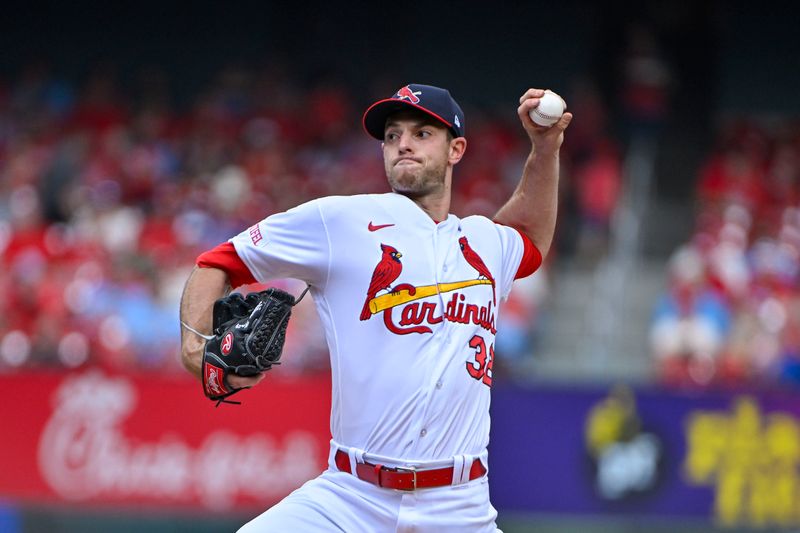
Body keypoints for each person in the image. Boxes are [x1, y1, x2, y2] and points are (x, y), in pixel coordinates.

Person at [180, 83, 572, 532]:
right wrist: (194, 348)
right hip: (348, 499)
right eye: (392, 135)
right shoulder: (339, 221)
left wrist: (545, 147)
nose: (403, 142)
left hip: (460, 509)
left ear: (456, 149)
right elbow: (217, 263)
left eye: (422, 133)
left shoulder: (486, 241)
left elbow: (531, 238)